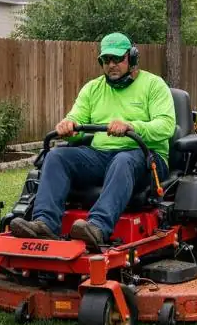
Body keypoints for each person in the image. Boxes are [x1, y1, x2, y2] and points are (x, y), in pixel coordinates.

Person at [10, 32, 175, 251]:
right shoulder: (93, 88)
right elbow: (77, 119)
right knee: (57, 156)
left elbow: (166, 126)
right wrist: (68, 126)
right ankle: (44, 223)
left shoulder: (154, 85)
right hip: (102, 156)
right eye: (106, 60)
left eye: (118, 59)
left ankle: (97, 227)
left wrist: (132, 126)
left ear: (132, 58)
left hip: (146, 158)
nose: (112, 64)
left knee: (123, 160)